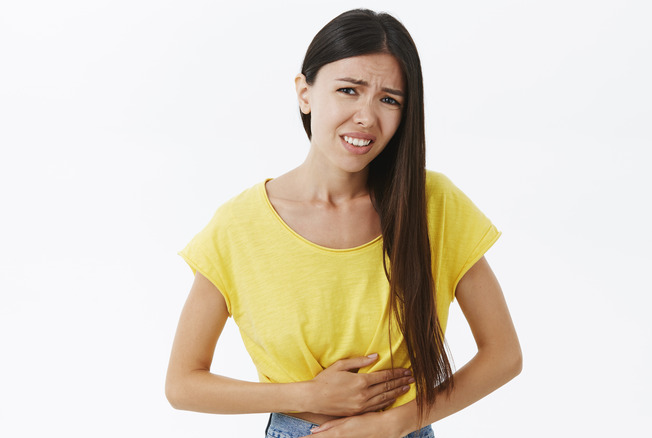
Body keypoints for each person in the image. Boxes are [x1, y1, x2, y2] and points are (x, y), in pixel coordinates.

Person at [165, 8, 522, 438]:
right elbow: (183, 384)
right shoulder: (239, 226)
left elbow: (504, 354)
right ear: (305, 93)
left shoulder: (432, 204)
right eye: (349, 90)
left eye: (389, 99)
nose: (367, 117)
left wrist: (397, 422)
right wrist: (306, 396)